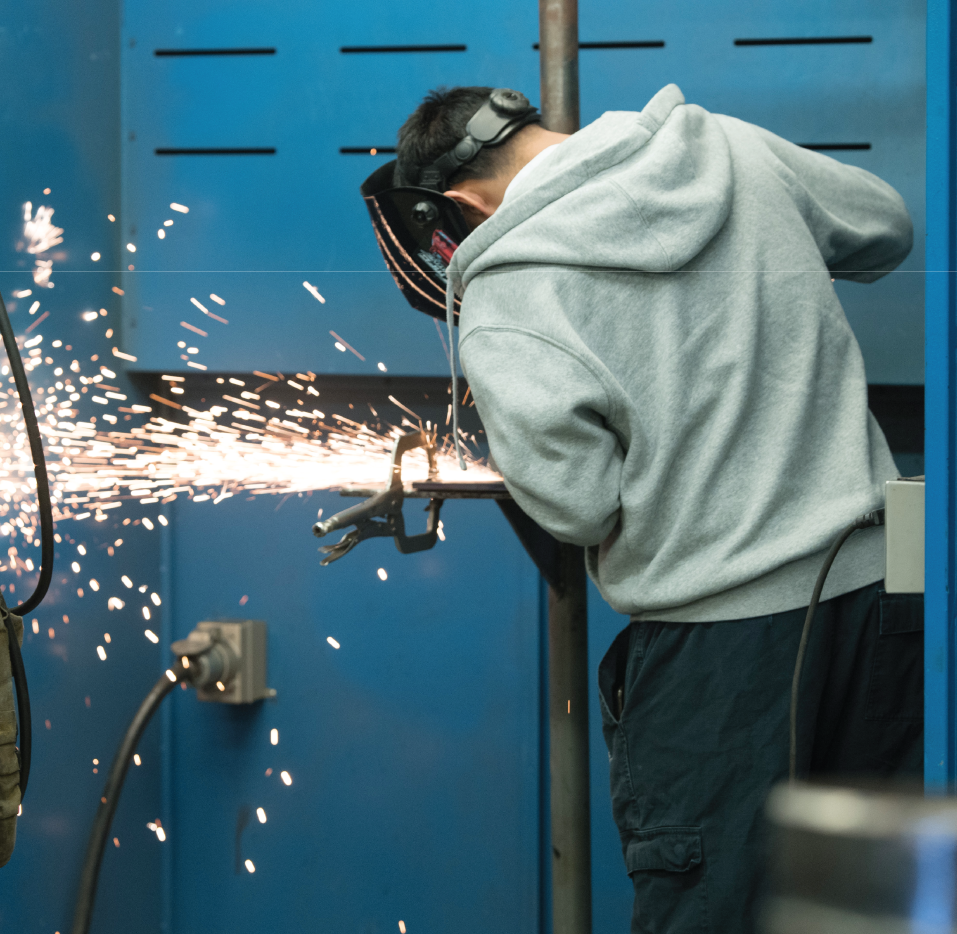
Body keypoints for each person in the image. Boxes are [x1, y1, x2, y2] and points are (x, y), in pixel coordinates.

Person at [391, 84, 920, 932]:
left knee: (711, 913)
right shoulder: (727, 149)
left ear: (456, 203)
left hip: (722, 649)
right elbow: (885, 226)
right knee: (880, 907)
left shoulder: (510, 294)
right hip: (889, 588)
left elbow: (580, 506)